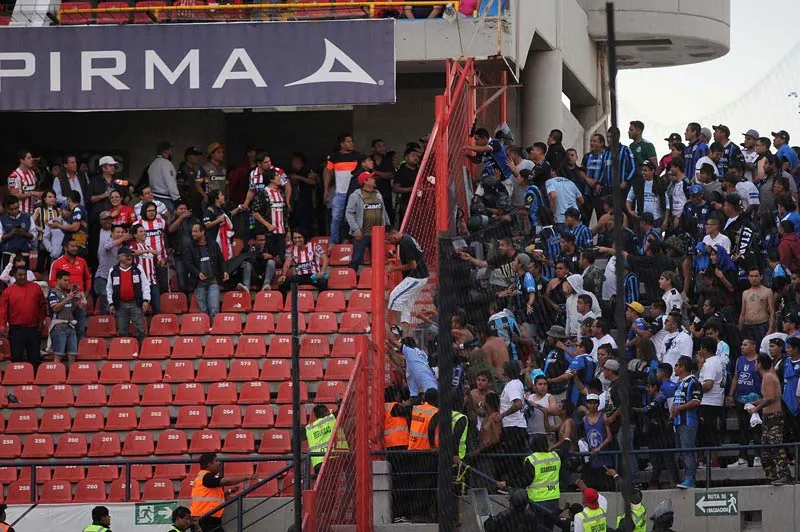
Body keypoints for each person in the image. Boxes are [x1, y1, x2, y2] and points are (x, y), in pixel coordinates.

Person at [749, 353, 794, 485]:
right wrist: (757, 403)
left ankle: (785, 474)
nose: (754, 364)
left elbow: (771, 398)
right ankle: (772, 476)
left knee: (775, 446)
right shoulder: (768, 376)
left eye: (756, 362)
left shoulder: (768, 376)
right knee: (766, 450)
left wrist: (756, 408)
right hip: (768, 417)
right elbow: (769, 397)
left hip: (774, 416)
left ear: (760, 364)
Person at [190, 453, 257, 532]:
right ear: (209, 464)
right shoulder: (206, 477)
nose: (219, 463)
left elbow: (214, 497)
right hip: (205, 519)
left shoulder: (204, 477)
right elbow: (226, 481)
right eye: (216, 461)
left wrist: (229, 491)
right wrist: (246, 477)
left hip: (207, 518)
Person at [0, 266, 46, 367]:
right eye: (20, 275)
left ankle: (35, 376)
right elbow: (3, 311)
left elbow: (42, 307)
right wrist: (2, 325)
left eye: (24, 274)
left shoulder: (36, 288)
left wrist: (41, 323)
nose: (23, 277)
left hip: (33, 329)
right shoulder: (8, 291)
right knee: (16, 358)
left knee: (35, 358)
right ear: (14, 276)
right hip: (16, 330)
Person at [387, 228, 429, 336]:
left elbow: (412, 265)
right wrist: (394, 252)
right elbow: (411, 252)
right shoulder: (406, 238)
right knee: (405, 308)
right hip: (420, 275)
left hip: (416, 276)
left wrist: (393, 269)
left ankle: (398, 327)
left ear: (394, 234)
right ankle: (405, 337)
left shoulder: (404, 242)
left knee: (394, 297)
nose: (390, 242)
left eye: (390, 239)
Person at [106, 247, 150, 348]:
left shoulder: (138, 268)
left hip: (136, 303)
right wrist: (111, 303)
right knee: (122, 331)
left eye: (130, 255)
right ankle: (125, 351)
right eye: (126, 255)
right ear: (120, 257)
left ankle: (143, 350)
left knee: (140, 330)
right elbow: (109, 288)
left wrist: (146, 300)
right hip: (120, 305)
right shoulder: (113, 270)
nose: (129, 257)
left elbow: (145, 285)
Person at [346, 172, 390, 269]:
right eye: (371, 178)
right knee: (356, 258)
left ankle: (374, 277)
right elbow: (349, 213)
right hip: (362, 233)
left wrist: (386, 227)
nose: (374, 180)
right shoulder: (356, 195)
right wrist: (356, 229)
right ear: (365, 181)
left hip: (377, 233)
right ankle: (352, 276)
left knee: (377, 259)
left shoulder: (377, 194)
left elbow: (383, 211)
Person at [185, 222, 228, 320]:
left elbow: (221, 260)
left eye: (195, 231)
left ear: (202, 231)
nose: (193, 234)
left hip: (213, 281)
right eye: (192, 231)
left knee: (214, 308)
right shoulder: (189, 247)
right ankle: (206, 328)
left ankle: (214, 328)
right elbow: (188, 264)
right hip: (199, 283)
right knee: (203, 311)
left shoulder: (213, 244)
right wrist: (197, 273)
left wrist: (225, 271)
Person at [671, 356, 702, 489]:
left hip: (688, 422)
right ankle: (686, 477)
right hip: (678, 422)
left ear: (683, 367)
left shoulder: (693, 382)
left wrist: (678, 408)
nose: (675, 368)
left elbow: (696, 401)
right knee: (682, 451)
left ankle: (690, 478)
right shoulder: (679, 383)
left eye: (677, 365)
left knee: (687, 450)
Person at [324, 133, 360, 244]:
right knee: (336, 218)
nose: (351, 143)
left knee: (354, 217)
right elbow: (328, 173)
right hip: (340, 193)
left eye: (352, 141)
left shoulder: (357, 156)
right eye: (348, 141)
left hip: (354, 193)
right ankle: (334, 242)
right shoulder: (334, 157)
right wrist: (326, 189)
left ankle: (353, 240)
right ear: (342, 144)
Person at [278, 230, 328, 295]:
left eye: (299, 237)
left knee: (323, 282)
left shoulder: (314, 246)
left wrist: (322, 272)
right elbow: (287, 263)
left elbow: (325, 259)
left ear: (304, 238)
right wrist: (283, 275)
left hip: (313, 275)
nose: (297, 240)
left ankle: (320, 301)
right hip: (299, 276)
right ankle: (284, 301)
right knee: (282, 283)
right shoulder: (290, 249)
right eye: (295, 238)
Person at [49, 269, 79, 365]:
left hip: (70, 326)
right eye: (65, 280)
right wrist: (67, 299)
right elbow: (55, 308)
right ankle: (55, 373)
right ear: (58, 280)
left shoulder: (67, 293)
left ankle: (72, 374)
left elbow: (70, 310)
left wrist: (75, 302)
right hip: (59, 328)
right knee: (58, 355)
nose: (67, 283)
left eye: (68, 280)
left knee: (72, 355)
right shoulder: (53, 293)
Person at [147, 141, 180, 215]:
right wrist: (177, 199)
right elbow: (171, 183)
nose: (172, 153)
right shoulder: (166, 163)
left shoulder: (153, 164)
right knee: (168, 221)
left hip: (154, 198)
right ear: (166, 151)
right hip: (165, 200)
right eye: (171, 150)